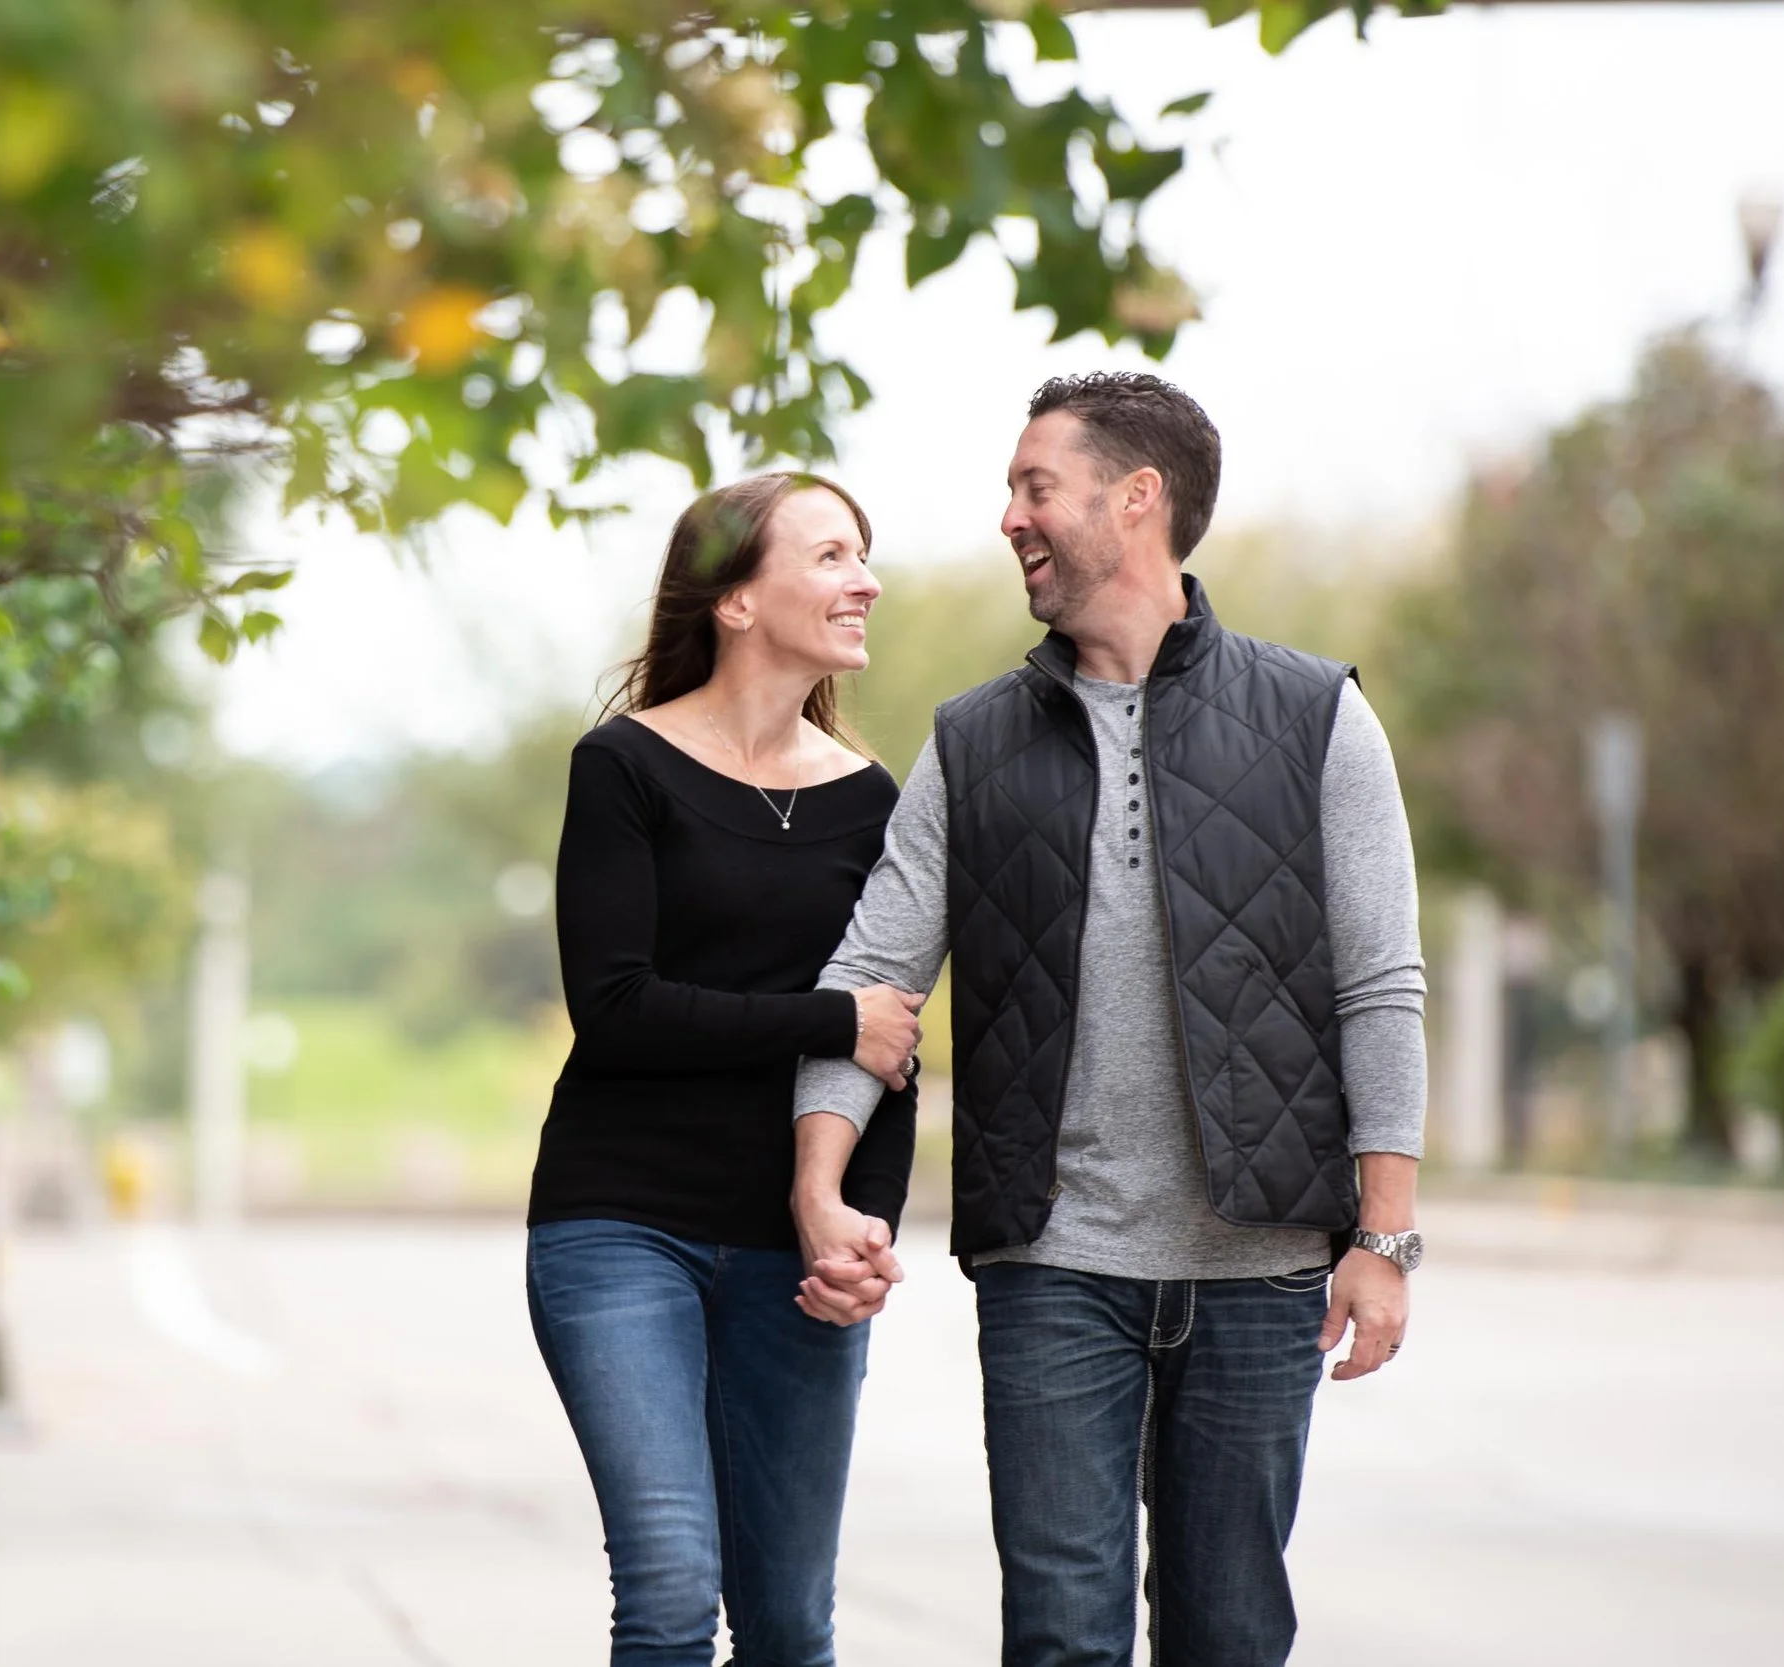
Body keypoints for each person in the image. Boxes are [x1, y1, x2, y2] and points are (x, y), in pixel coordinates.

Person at [791, 373, 1429, 1667]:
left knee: (1231, 1630)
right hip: (1054, 1264)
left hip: (1259, 1268)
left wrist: (1389, 1233)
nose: (1010, 517)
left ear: (1134, 499)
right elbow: (872, 979)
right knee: (1060, 1638)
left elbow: (1381, 981)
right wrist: (818, 1181)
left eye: (1036, 486)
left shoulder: (1316, 717)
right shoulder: (973, 741)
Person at [526, 471, 926, 1667]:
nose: (864, 581)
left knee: (790, 1621)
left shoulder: (875, 804)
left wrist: (862, 1222)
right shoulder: (624, 768)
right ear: (737, 600)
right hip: (618, 1223)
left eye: (864, 555)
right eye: (829, 556)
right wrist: (822, 1017)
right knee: (666, 1583)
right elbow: (615, 1010)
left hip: (791, 1247)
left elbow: (890, 1042)